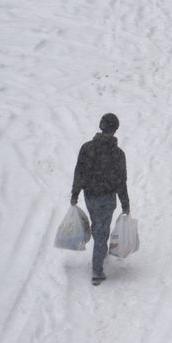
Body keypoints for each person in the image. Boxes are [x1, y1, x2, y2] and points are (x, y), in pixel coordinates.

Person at [70, 113, 130, 285]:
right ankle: (97, 271)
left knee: (99, 228)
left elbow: (79, 172)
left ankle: (100, 250)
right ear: (115, 129)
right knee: (101, 231)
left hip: (90, 196)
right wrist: (125, 204)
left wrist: (75, 193)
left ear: (101, 126)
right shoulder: (118, 154)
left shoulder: (87, 148)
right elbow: (121, 181)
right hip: (107, 198)